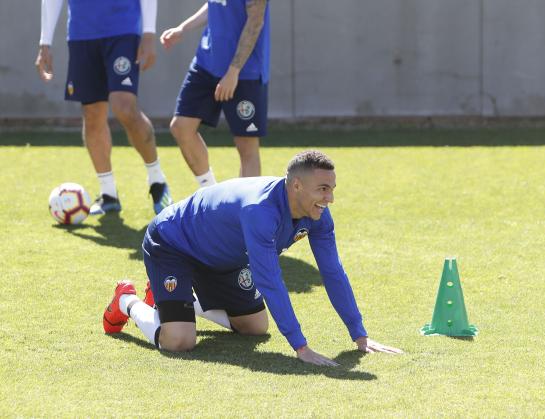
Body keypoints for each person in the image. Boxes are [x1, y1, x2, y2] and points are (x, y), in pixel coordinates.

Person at [103, 150, 403, 366]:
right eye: (323, 189)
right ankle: (126, 301)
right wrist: (301, 347)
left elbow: (333, 272)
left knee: (255, 328)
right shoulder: (260, 211)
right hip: (173, 243)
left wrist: (359, 336)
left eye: (332, 189)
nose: (330, 198)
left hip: (223, 257)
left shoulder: (317, 214)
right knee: (180, 341)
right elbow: (269, 280)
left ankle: (174, 298)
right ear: (296, 185)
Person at [35, 0, 173, 215]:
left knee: (124, 107)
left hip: (123, 30)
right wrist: (45, 42)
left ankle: (157, 181)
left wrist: (148, 33)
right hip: (82, 34)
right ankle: (108, 194)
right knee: (92, 114)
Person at [159, 0, 270, 187]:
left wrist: (233, 71)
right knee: (181, 127)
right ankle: (210, 193)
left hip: (245, 72)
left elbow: (255, 22)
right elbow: (215, 5)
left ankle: (246, 211)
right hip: (206, 63)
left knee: (246, 146)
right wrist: (183, 28)